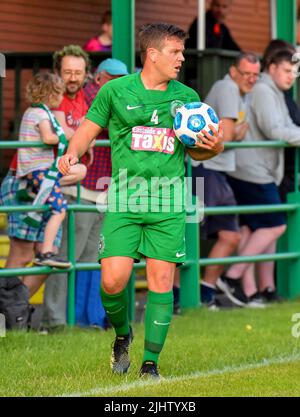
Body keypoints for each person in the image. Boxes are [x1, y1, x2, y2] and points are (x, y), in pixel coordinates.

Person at [58, 23, 224, 378]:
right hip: (123, 200)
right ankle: (122, 334)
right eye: (175, 52)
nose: (182, 58)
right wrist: (71, 154)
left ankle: (151, 364)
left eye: (182, 51)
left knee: (161, 281)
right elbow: (87, 129)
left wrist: (216, 147)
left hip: (168, 203)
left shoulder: (188, 98)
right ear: (153, 54)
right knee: (112, 282)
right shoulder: (115, 91)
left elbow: (200, 152)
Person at [222, 49, 300, 303]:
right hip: (251, 169)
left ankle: (255, 291)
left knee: (251, 228)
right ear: (272, 68)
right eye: (287, 71)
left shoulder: (273, 90)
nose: (292, 77)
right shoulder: (264, 90)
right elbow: (275, 130)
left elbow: (286, 127)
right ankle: (231, 277)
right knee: (275, 224)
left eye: (295, 72)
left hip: (255, 168)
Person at [192, 52, 260, 309]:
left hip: (218, 171)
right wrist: (238, 134)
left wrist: (235, 133)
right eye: (246, 74)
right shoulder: (228, 88)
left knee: (230, 235)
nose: (251, 79)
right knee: (188, 233)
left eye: (255, 75)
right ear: (233, 72)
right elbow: (228, 136)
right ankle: (177, 297)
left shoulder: (239, 91)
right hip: (204, 168)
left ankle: (206, 292)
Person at [17, 72, 86, 268]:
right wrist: (65, 135)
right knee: (60, 209)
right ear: (51, 94)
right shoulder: (39, 114)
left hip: (38, 169)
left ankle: (34, 191)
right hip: (39, 169)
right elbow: (48, 138)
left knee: (79, 170)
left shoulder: (35, 111)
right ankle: (45, 252)